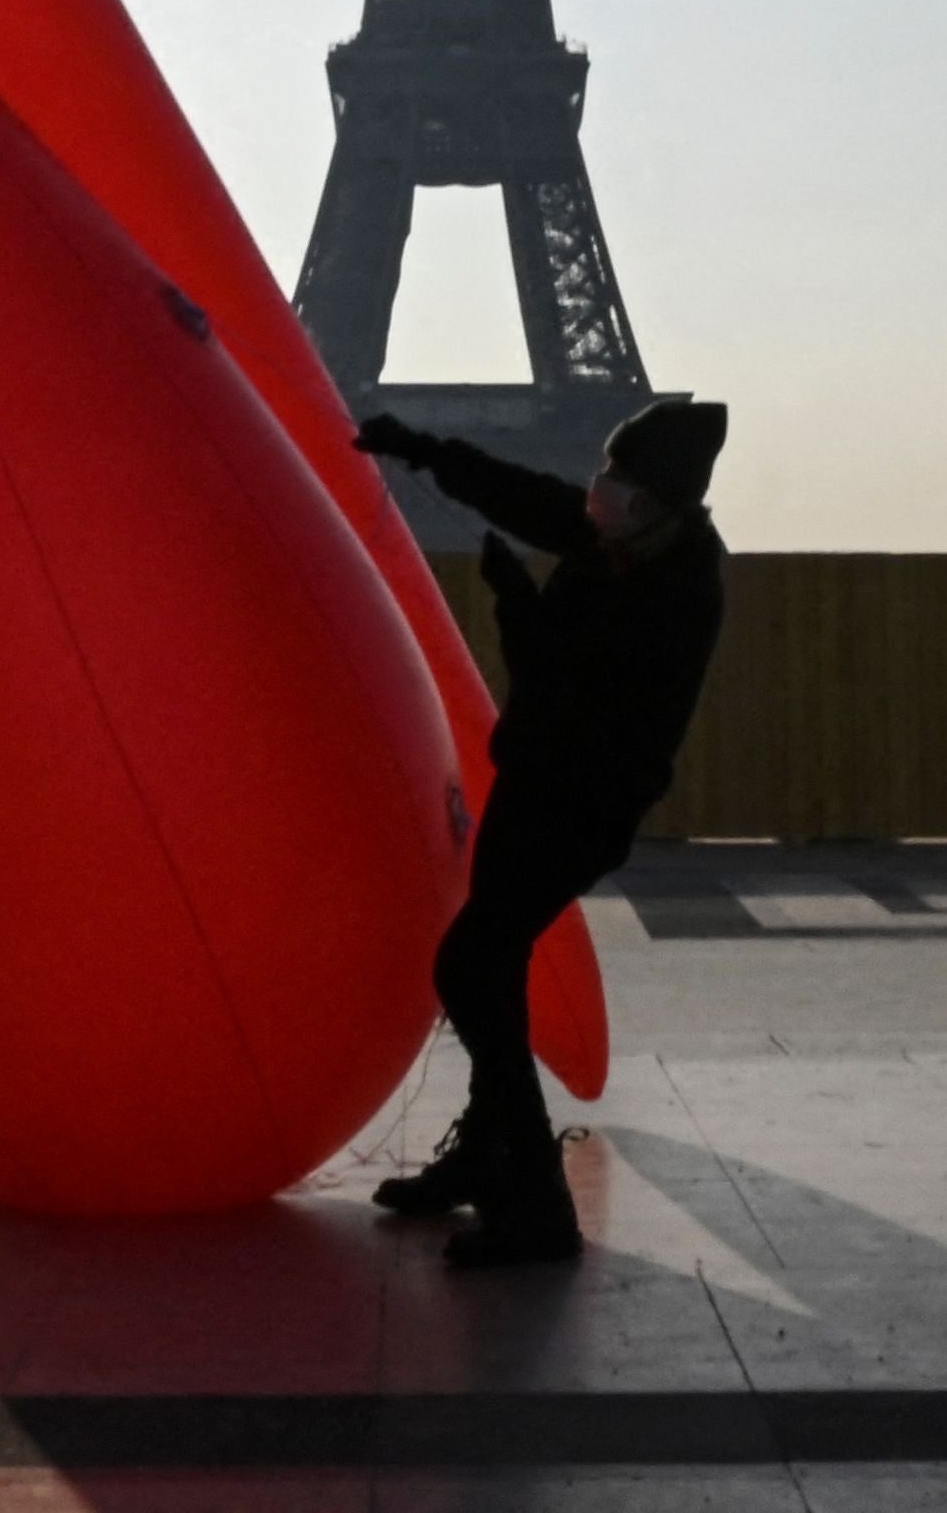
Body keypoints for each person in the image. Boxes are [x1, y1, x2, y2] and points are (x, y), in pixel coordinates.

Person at [351, 395, 731, 1269]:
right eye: (604, 479)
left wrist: (520, 612)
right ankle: (489, 1156)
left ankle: (533, 1208)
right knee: (495, 965)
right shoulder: (628, 540)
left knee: (472, 964)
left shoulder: (677, 589)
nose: (597, 498)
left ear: (660, 503)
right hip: (537, 788)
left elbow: (575, 687)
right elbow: (523, 495)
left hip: (581, 808)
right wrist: (424, 451)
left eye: (618, 486)